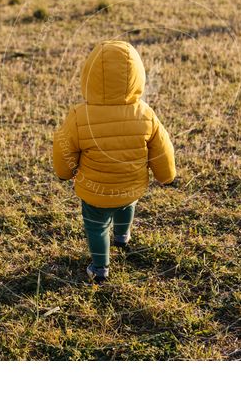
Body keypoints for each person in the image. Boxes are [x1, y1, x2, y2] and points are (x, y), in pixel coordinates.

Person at [52, 40, 176, 283]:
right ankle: (122, 236)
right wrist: (166, 176)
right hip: (130, 186)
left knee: (96, 226)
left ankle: (100, 269)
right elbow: (163, 148)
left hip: (94, 192)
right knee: (125, 205)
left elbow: (63, 147)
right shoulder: (145, 114)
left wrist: (64, 172)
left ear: (89, 76)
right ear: (137, 76)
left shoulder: (79, 116)